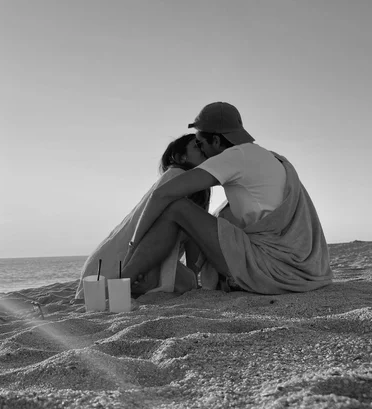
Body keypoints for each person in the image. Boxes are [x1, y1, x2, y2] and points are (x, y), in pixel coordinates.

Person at [122, 102, 333, 294]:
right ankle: (148, 278)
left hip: (271, 266)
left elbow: (163, 193)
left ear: (215, 140)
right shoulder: (268, 157)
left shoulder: (235, 156)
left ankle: (123, 279)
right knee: (216, 215)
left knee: (177, 208)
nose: (201, 151)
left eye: (200, 143)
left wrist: (133, 244)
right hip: (294, 265)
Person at [75, 134, 210, 299]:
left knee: (188, 281)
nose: (203, 148)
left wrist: (193, 275)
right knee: (185, 283)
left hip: (116, 261)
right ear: (181, 157)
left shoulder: (195, 183)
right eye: (197, 146)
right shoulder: (177, 175)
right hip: (121, 261)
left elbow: (191, 234)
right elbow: (156, 227)